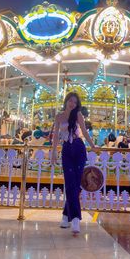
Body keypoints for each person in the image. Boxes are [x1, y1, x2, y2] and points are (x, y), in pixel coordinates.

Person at [51, 92, 96, 234]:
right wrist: (53, 152)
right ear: (66, 101)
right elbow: (56, 136)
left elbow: (84, 131)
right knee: (70, 183)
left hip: (78, 148)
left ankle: (70, 217)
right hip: (66, 150)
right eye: (70, 101)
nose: (72, 104)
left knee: (76, 184)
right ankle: (70, 216)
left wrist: (93, 146)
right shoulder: (59, 116)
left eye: (75, 102)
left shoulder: (78, 115)